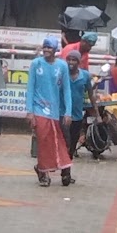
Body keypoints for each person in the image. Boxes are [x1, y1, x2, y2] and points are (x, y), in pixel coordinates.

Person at [26, 37, 73, 186]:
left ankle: (42, 168)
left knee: (56, 141)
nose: (46, 50)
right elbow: (30, 89)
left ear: (55, 50)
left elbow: (66, 90)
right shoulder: (36, 64)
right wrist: (29, 111)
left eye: (49, 48)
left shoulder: (62, 66)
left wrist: (68, 112)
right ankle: (44, 173)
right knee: (43, 140)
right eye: (44, 47)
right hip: (39, 109)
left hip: (55, 110)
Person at [64, 51, 94, 160]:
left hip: (77, 115)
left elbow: (91, 94)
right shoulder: (63, 73)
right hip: (63, 114)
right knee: (64, 143)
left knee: (72, 145)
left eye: (74, 60)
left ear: (79, 62)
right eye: (69, 59)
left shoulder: (85, 75)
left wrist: (97, 114)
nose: (71, 62)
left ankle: (66, 173)